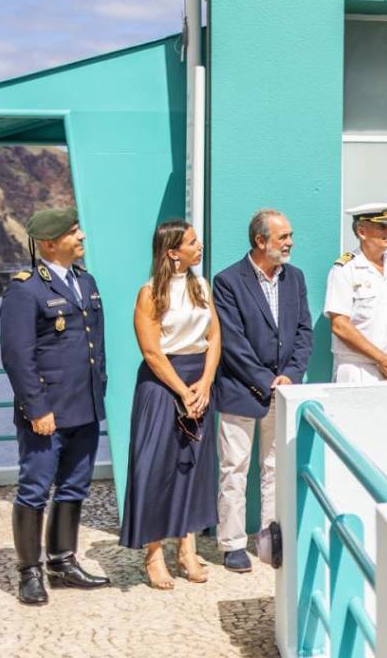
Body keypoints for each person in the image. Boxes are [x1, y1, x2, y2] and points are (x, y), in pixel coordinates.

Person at [0, 207, 112, 605]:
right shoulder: (25, 289)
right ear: (50, 243)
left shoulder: (86, 280)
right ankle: (29, 572)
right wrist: (36, 409)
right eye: (73, 233)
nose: (81, 237)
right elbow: (17, 356)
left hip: (85, 406)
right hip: (47, 412)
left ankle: (63, 562)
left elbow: (94, 346)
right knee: (34, 489)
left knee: (75, 486)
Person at [119, 220, 221, 589]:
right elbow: (151, 351)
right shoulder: (150, 293)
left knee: (190, 467)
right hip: (163, 385)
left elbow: (214, 335)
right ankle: (154, 555)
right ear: (172, 252)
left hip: (199, 381)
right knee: (155, 468)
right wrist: (183, 390)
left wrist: (206, 382)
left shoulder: (201, 285)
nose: (200, 246)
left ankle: (187, 550)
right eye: (193, 242)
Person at [211, 209, 313, 573]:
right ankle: (233, 543)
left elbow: (304, 331)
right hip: (241, 389)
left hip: (282, 390)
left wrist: (290, 375)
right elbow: (232, 341)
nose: (290, 243)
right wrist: (264, 379)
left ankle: (270, 539)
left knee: (274, 467)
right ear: (260, 241)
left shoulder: (294, 278)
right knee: (234, 468)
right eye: (283, 237)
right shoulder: (227, 281)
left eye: (289, 236)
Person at [324, 202, 387, 383]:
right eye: (381, 226)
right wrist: (381, 358)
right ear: (362, 232)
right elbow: (340, 325)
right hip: (357, 370)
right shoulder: (346, 269)